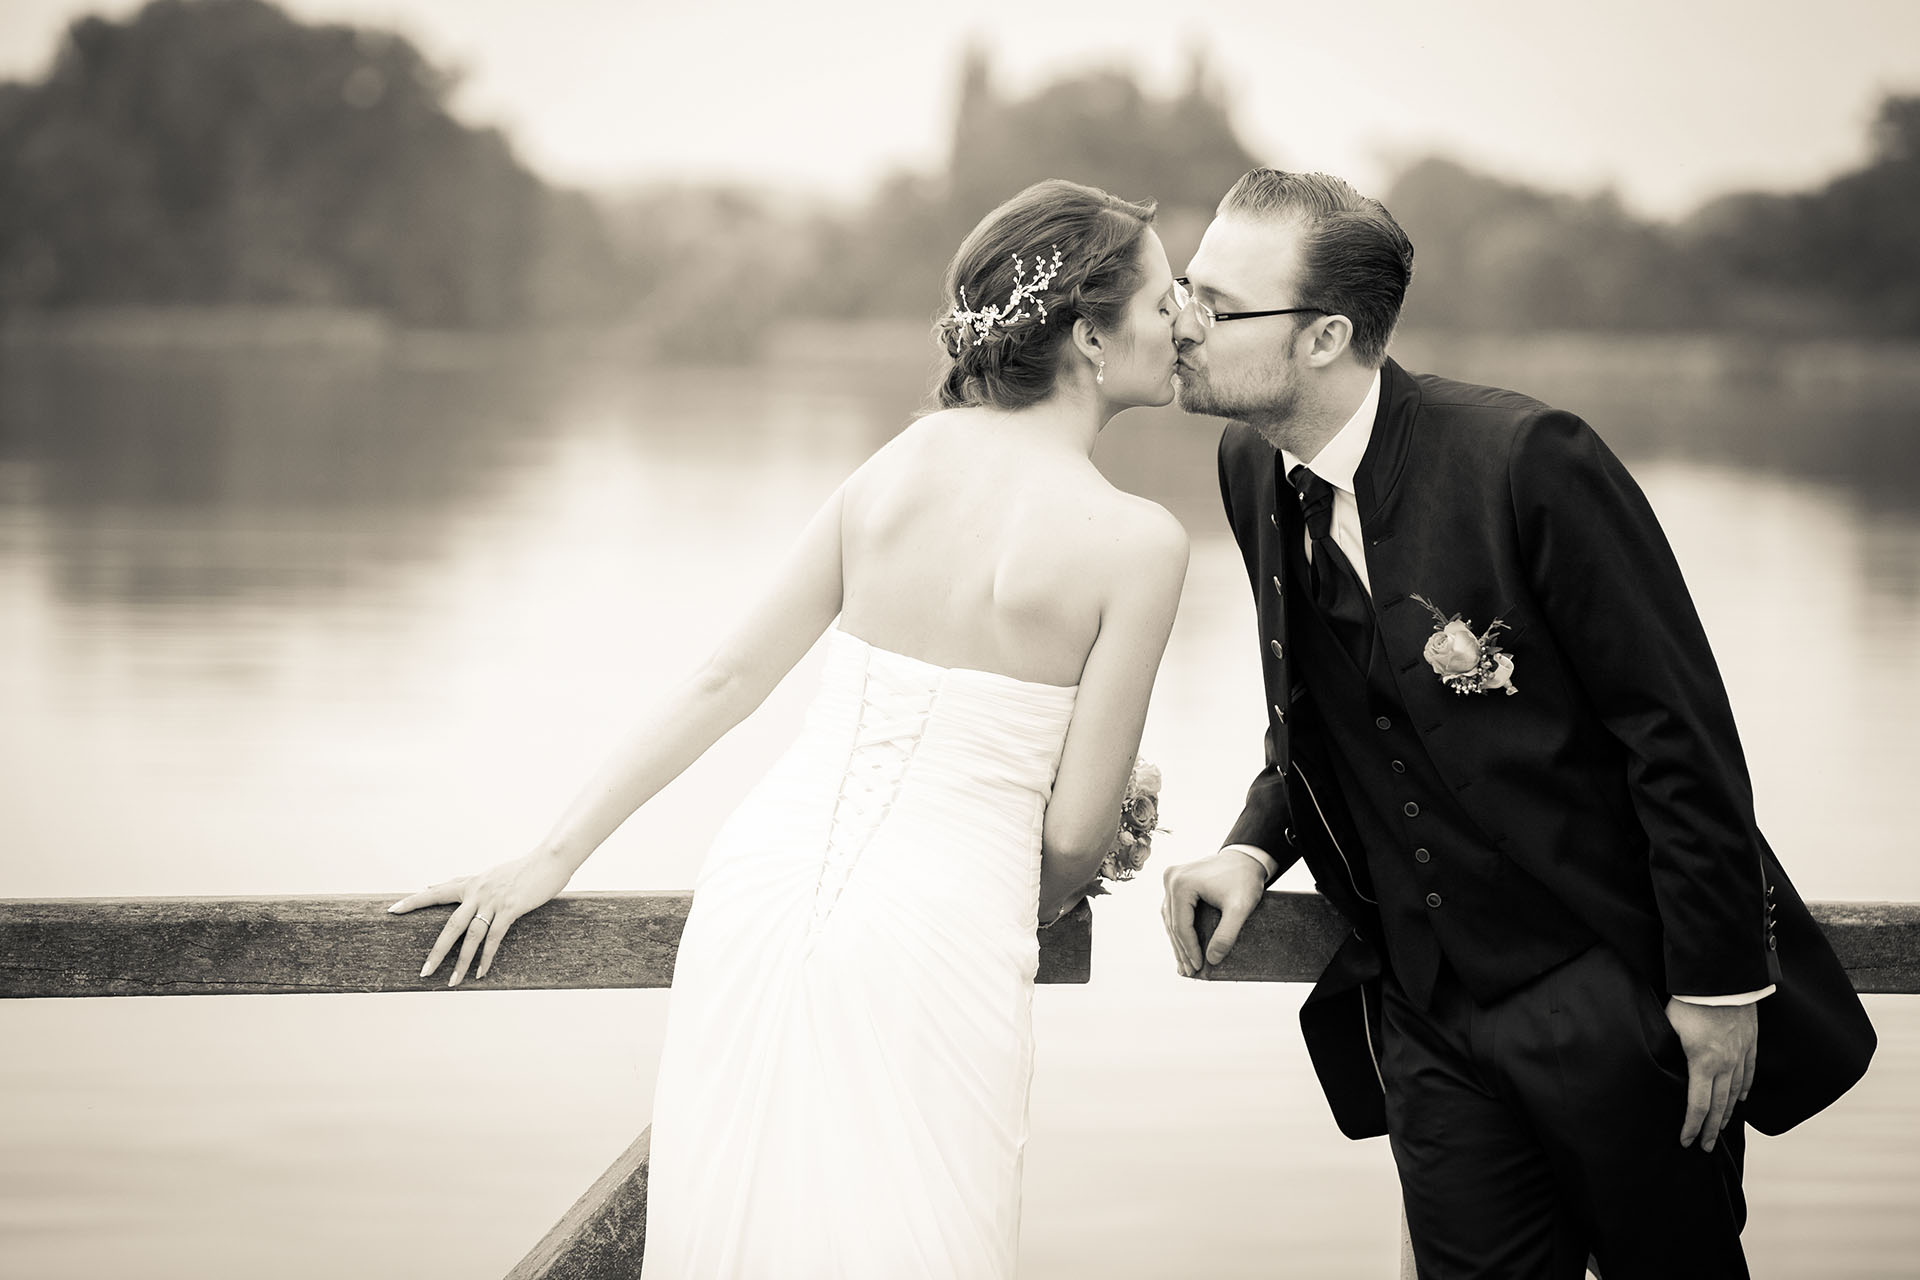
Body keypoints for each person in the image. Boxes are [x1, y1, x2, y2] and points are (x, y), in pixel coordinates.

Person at [390, 178, 1190, 1279]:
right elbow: (1069, 840)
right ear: (1091, 338)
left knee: (742, 1215)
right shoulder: (1138, 543)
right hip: (938, 929)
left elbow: (726, 677)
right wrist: (1048, 872)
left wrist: (552, 853)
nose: (1183, 322)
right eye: (1163, 302)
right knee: (919, 1227)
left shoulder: (899, 465)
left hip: (761, 893)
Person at [1159, 168, 1876, 1278]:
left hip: (1621, 1002)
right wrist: (1256, 842)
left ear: (1324, 336)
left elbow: (1677, 732)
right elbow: (1321, 708)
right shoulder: (1246, 463)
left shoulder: (1528, 460)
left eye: (1218, 300)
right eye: (1186, 288)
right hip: (1432, 1021)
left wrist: (1718, 988)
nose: (1183, 320)